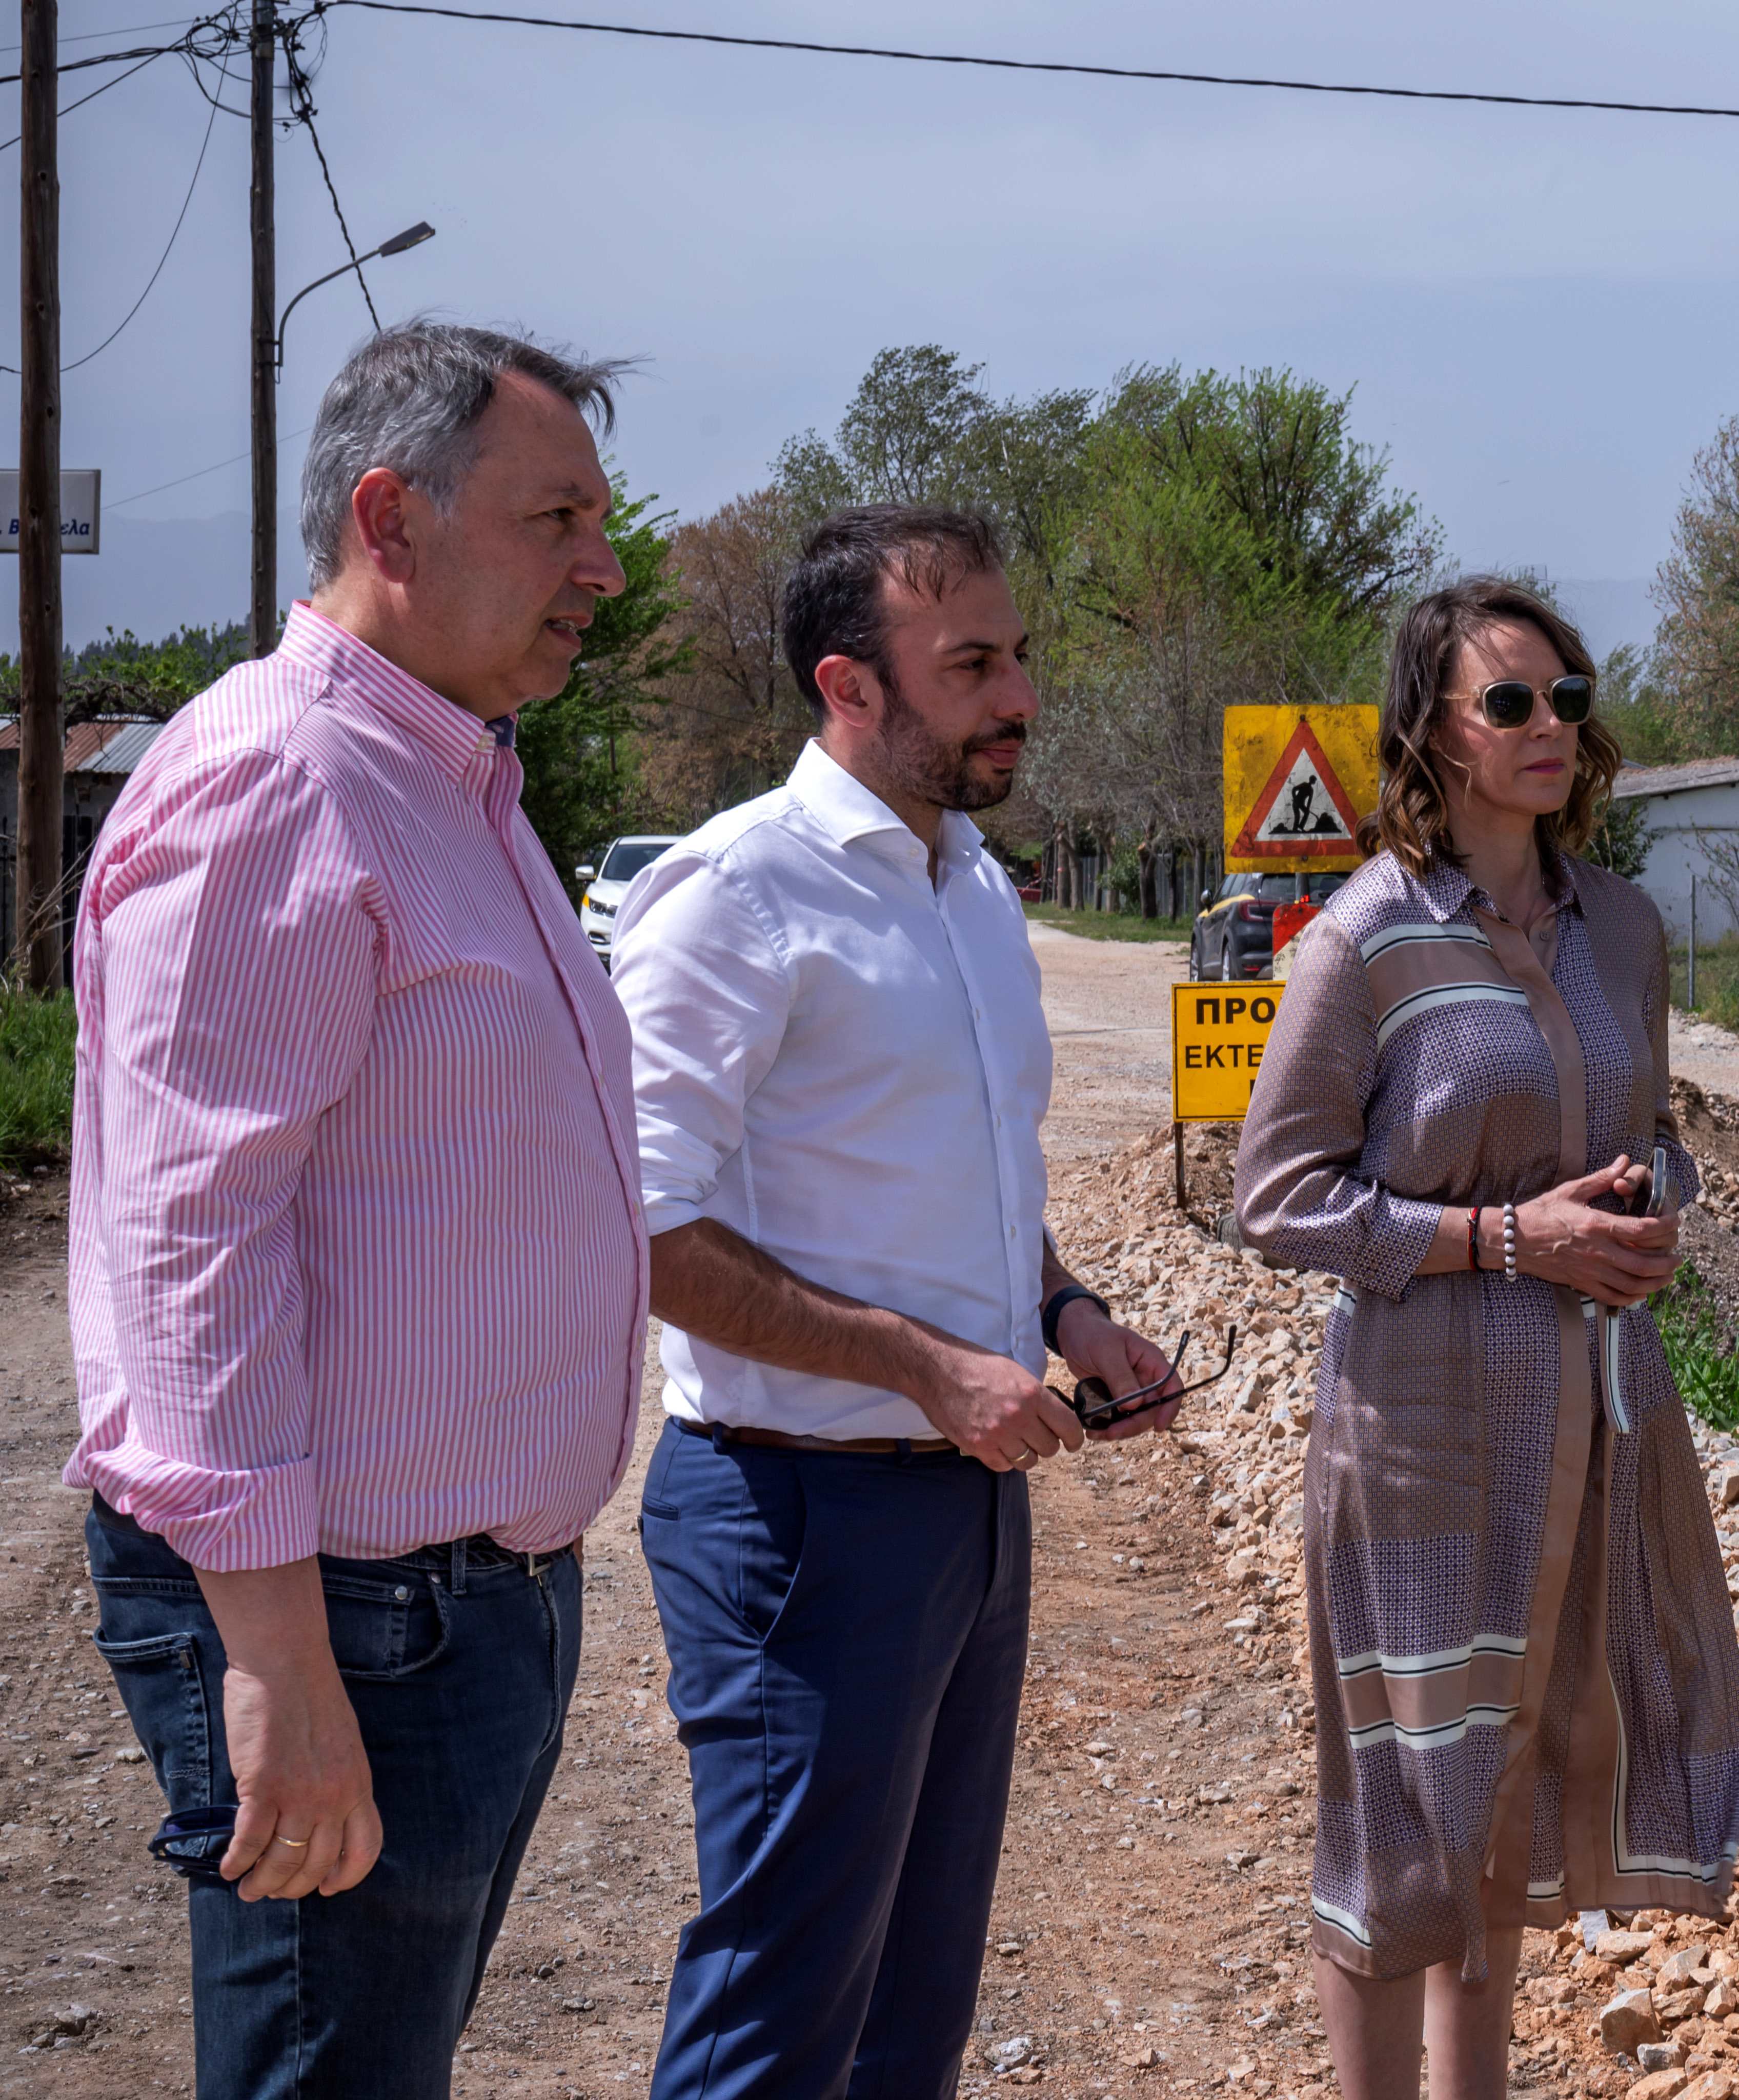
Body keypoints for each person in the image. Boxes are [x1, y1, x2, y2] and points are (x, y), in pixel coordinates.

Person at [64, 322, 648, 2096]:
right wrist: (278, 1662)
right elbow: (190, 1242)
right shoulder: (282, 778)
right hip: (347, 1618)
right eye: (559, 520)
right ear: (392, 518)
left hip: (464, 1605)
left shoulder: (450, 778)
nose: (602, 573)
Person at [611, 504, 1179, 2099]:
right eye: (976, 664)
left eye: (1024, 656)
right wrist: (929, 1369)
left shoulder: (974, 887)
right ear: (848, 686)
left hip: (964, 1519)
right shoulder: (734, 896)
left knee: (910, 2013)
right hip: (797, 1519)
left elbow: (973, 1191)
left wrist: (1065, 1317)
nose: (1023, 697)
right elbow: (637, 1224)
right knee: (783, 2009)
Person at [1234, 577, 1739, 2100]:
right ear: (1434, 735)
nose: (1550, 728)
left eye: (1568, 698)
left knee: (1509, 1795)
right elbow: (1276, 1201)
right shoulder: (1367, 942)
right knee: (1403, 1811)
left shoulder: (1625, 928)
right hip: (1419, 1432)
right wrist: (1512, 1236)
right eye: (1510, 701)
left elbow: (1652, 1129)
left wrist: (1654, 1204)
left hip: (1592, 1421)